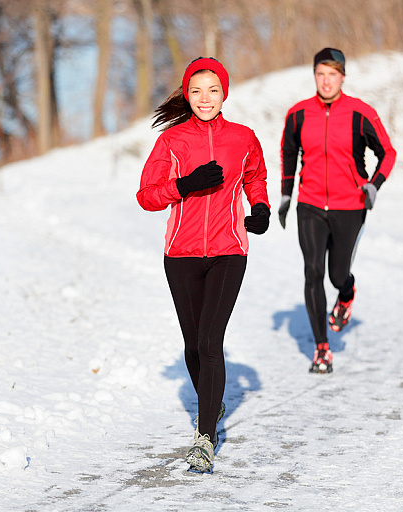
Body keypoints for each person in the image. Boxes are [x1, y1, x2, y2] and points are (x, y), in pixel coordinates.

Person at [137, 57, 270, 472]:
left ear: (224, 92)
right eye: (196, 91)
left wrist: (261, 208)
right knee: (193, 344)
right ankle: (215, 403)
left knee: (211, 341)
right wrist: (186, 185)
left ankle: (205, 436)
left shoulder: (243, 137)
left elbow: (255, 177)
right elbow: (146, 195)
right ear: (187, 95)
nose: (204, 98)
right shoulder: (172, 142)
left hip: (230, 250)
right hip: (181, 254)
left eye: (212, 89)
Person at [278, 48, 396, 374]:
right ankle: (322, 348)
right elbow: (289, 154)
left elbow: (387, 153)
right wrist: (287, 196)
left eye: (332, 74)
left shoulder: (361, 113)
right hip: (311, 204)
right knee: (313, 271)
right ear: (314, 76)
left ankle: (346, 293)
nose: (326, 81)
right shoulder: (298, 114)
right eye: (320, 74)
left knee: (336, 274)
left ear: (343, 76)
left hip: (350, 206)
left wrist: (374, 185)